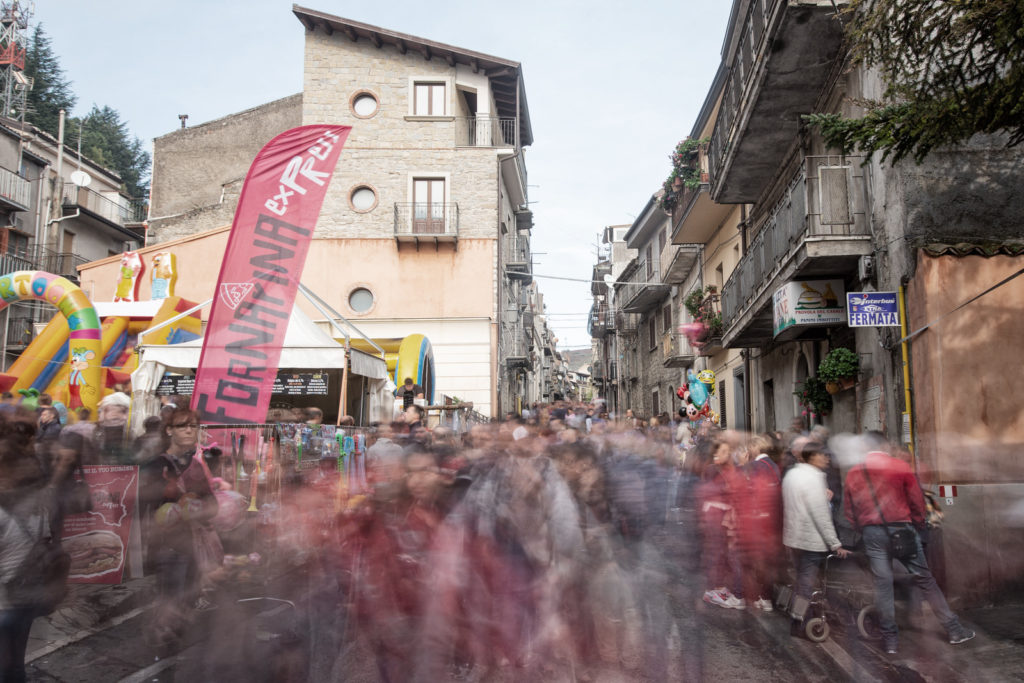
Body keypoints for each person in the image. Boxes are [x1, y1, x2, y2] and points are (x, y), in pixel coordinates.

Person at [843, 432, 974, 654]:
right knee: (925, 579)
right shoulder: (899, 466)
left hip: (872, 533)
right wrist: (917, 524)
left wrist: (864, 528)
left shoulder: (854, 472)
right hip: (902, 529)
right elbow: (916, 501)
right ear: (885, 445)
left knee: (883, 585)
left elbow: (849, 509)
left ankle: (890, 641)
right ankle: (954, 630)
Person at [782, 440, 850, 637]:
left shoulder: (792, 474)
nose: (826, 459)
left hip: (794, 538)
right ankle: (799, 621)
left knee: (801, 581)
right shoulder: (813, 479)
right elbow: (820, 515)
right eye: (822, 455)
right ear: (812, 457)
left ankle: (799, 618)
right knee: (806, 584)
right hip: (811, 541)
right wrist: (835, 544)